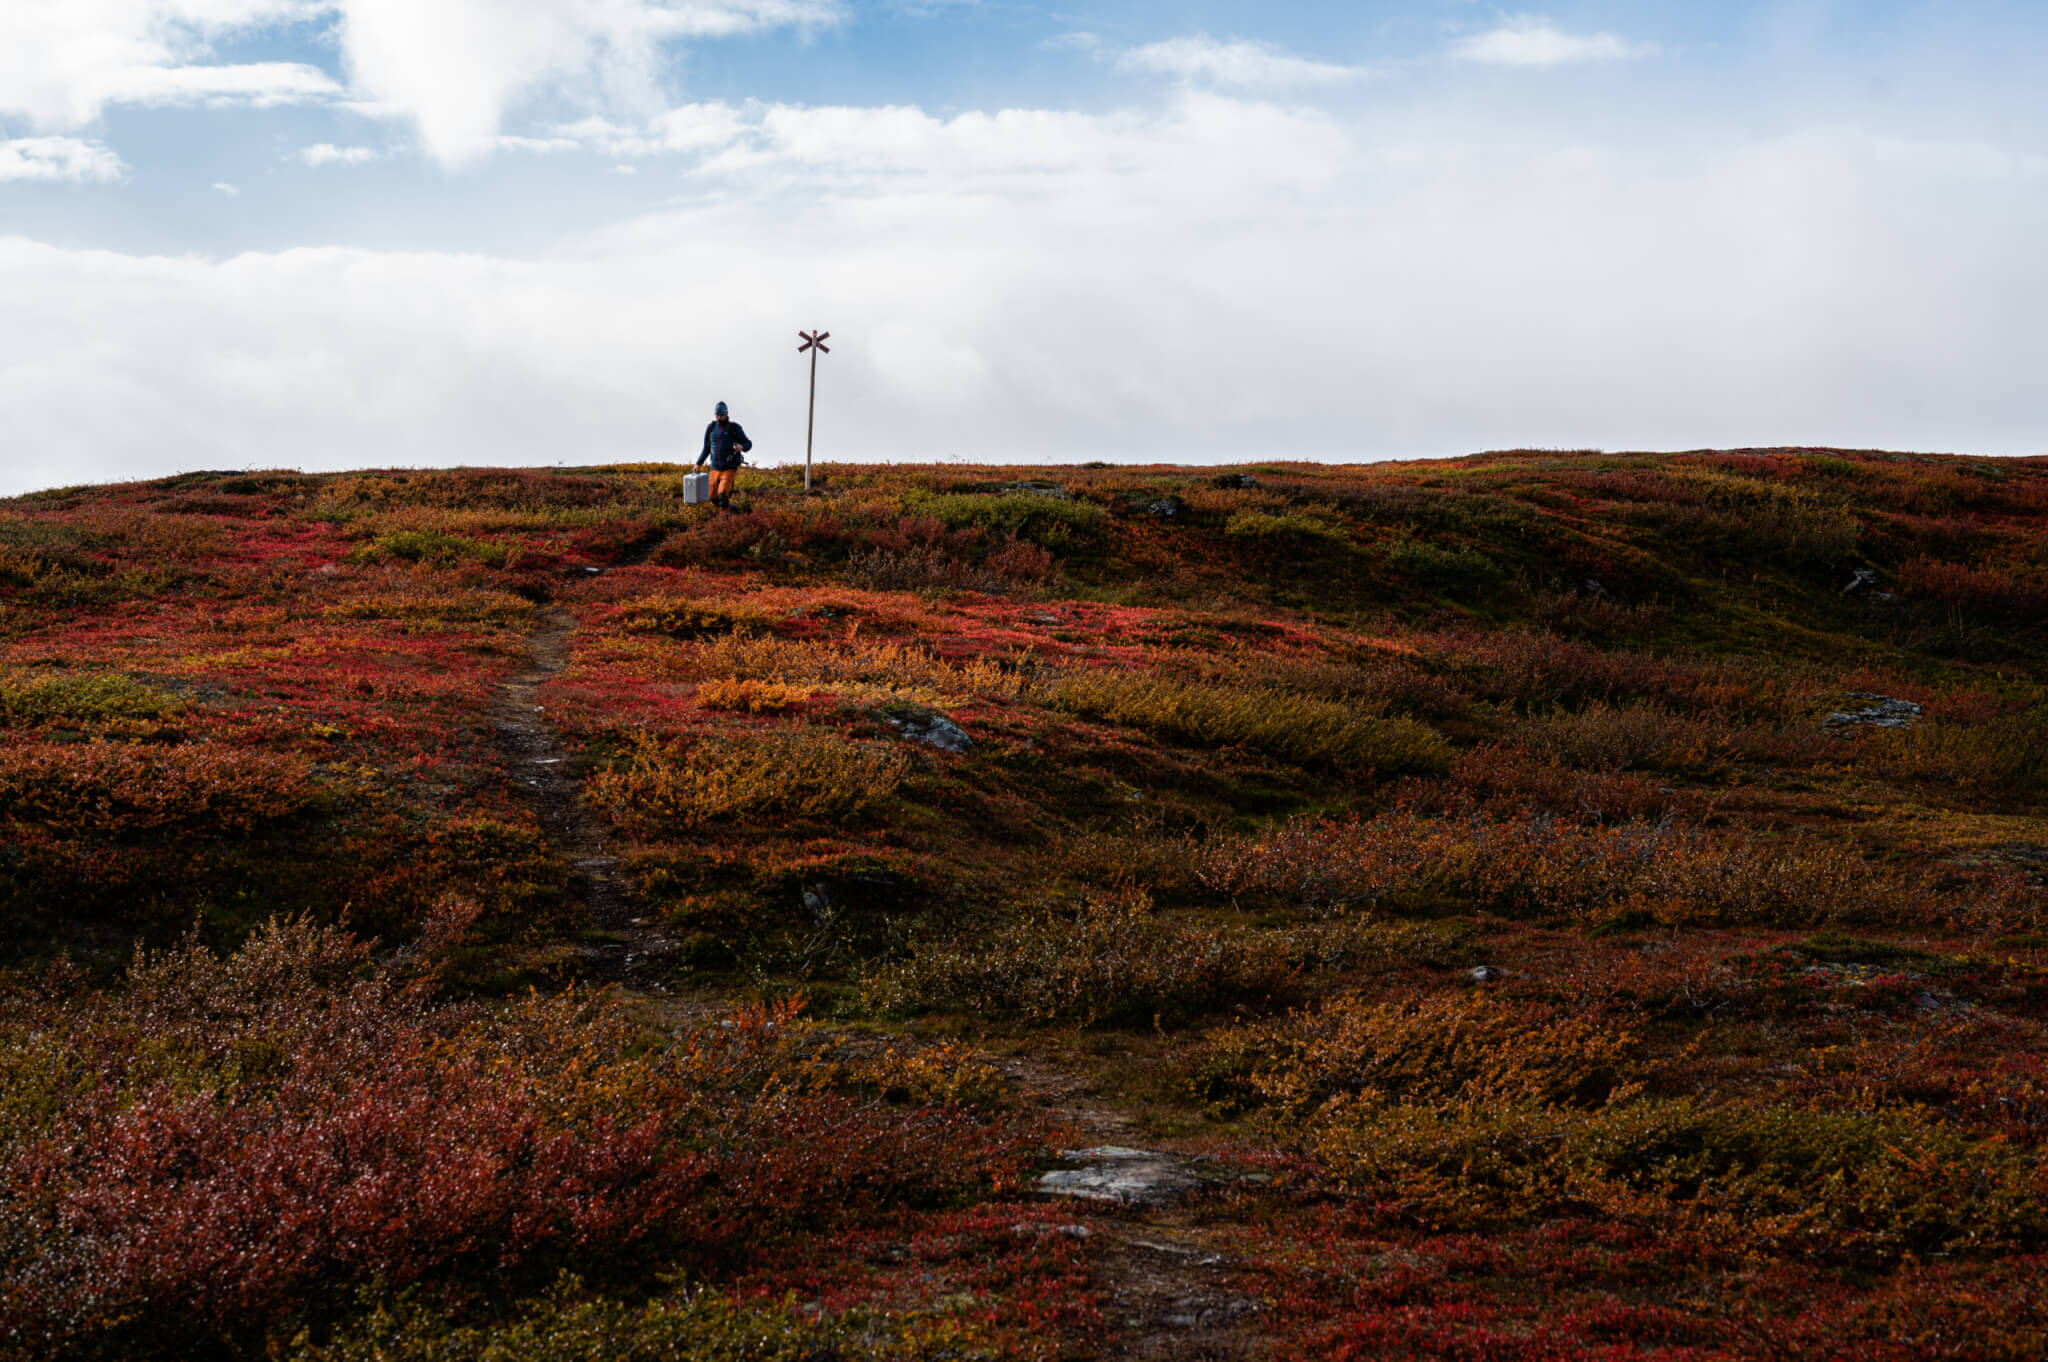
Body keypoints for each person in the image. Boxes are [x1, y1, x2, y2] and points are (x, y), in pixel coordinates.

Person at [696, 401, 752, 510]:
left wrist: (742, 447)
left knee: (722, 495)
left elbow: (748, 444)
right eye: (717, 415)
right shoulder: (711, 428)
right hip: (714, 468)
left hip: (729, 468)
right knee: (713, 497)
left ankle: (724, 522)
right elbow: (706, 449)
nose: (719, 418)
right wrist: (698, 463)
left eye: (721, 415)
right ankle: (735, 512)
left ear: (726, 414)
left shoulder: (735, 428)